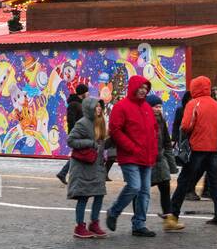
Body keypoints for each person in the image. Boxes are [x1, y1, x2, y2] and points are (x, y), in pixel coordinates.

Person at [168, 75, 217, 227]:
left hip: (196, 147)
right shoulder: (215, 105)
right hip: (212, 148)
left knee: (184, 180)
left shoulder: (193, 103)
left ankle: (173, 213)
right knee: (214, 182)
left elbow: (186, 125)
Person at [104, 75, 158, 236]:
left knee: (145, 191)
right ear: (133, 88)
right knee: (134, 186)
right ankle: (114, 212)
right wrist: (131, 147)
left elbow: (154, 130)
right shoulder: (121, 107)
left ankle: (139, 224)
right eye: (140, 88)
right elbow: (115, 130)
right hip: (130, 155)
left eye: (145, 89)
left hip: (146, 156)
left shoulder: (147, 108)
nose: (143, 91)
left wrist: (154, 151)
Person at [67, 95, 108, 238]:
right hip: (83, 166)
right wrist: (89, 143)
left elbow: (102, 143)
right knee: (83, 196)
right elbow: (70, 140)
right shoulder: (82, 123)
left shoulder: (101, 122)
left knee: (99, 194)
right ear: (89, 108)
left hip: (96, 165)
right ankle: (79, 226)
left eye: (100, 106)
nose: (99, 108)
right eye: (96, 106)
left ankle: (94, 223)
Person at [147, 92, 176, 227]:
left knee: (165, 186)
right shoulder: (145, 120)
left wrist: (172, 165)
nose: (158, 109)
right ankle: (138, 220)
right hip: (148, 161)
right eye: (155, 107)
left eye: (159, 106)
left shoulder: (161, 121)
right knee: (141, 191)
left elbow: (167, 143)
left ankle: (169, 219)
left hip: (160, 160)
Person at [55, 83, 89, 185]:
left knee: (79, 155)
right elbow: (71, 120)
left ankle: (64, 173)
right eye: (86, 92)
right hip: (77, 134)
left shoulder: (80, 103)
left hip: (81, 134)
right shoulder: (74, 104)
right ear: (82, 93)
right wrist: (73, 134)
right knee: (79, 155)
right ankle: (68, 174)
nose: (88, 94)